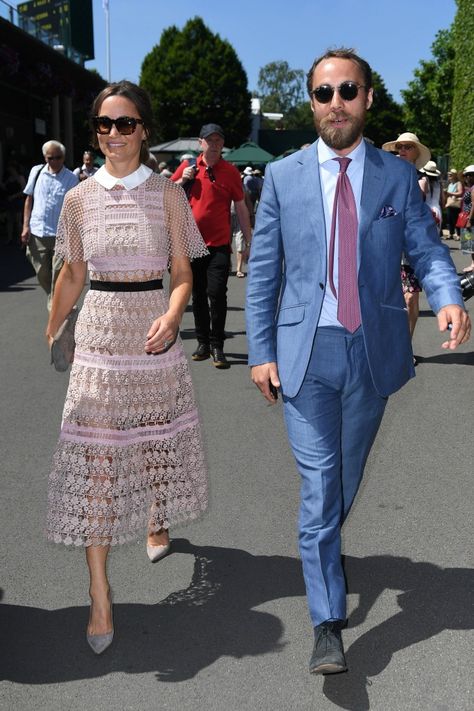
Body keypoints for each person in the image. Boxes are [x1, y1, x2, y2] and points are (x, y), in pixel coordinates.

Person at [246, 48, 470, 676]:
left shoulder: (396, 178)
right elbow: (263, 273)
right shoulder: (284, 177)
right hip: (305, 354)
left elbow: (426, 250)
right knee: (321, 489)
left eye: (347, 90)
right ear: (311, 102)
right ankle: (327, 622)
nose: (335, 103)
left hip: (370, 354)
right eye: (323, 93)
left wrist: (449, 297)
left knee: (340, 484)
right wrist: (260, 351)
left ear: (367, 97)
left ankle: (321, 544)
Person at [45, 80, 208, 655]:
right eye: (104, 125)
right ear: (95, 132)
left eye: (127, 123)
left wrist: (172, 313)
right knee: (96, 464)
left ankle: (156, 516)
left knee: (151, 442)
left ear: (144, 129)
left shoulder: (167, 193)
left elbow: (184, 274)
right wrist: (53, 326)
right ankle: (99, 595)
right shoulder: (77, 199)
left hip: (152, 331)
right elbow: (71, 275)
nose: (115, 135)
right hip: (98, 334)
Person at [171, 124, 252, 369]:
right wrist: (183, 181)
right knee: (197, 295)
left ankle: (217, 345)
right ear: (201, 142)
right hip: (192, 244)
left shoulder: (230, 172)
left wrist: (249, 240)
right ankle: (203, 342)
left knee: (216, 294)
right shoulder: (188, 167)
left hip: (218, 244)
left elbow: (240, 206)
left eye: (218, 140)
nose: (214, 145)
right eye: (210, 140)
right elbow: (167, 197)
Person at [381, 132, 431, 351]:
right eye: (399, 146)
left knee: (411, 298)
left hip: (412, 245)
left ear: (416, 153)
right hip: (389, 243)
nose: (402, 150)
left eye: (408, 147)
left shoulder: (420, 179)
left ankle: (406, 346)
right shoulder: (387, 176)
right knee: (393, 298)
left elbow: (413, 207)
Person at [22, 140, 78, 309]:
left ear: (64, 157)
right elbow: (29, 198)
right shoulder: (36, 171)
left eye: (58, 157)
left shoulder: (71, 178)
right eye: (50, 158)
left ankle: (55, 312)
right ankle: (55, 301)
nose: (54, 161)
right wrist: (25, 226)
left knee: (58, 275)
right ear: (45, 158)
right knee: (42, 273)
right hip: (37, 232)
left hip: (61, 235)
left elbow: (74, 208)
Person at [419, 160, 445, 233]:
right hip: (437, 209)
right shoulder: (439, 184)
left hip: (426, 208)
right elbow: (443, 200)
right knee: (435, 234)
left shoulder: (423, 181)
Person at [459, 165, 474, 273]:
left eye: (470, 175)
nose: (467, 178)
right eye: (466, 175)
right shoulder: (471, 187)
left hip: (470, 218)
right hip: (467, 216)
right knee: (469, 242)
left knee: (471, 242)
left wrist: (469, 220)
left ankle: (473, 265)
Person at [444, 168, 463, 240]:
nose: (449, 176)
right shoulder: (450, 184)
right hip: (449, 203)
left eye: (450, 175)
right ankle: (451, 234)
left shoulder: (458, 183)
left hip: (455, 203)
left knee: (456, 219)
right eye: (448, 174)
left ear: (454, 176)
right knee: (449, 219)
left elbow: (460, 192)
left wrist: (449, 193)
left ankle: (458, 234)